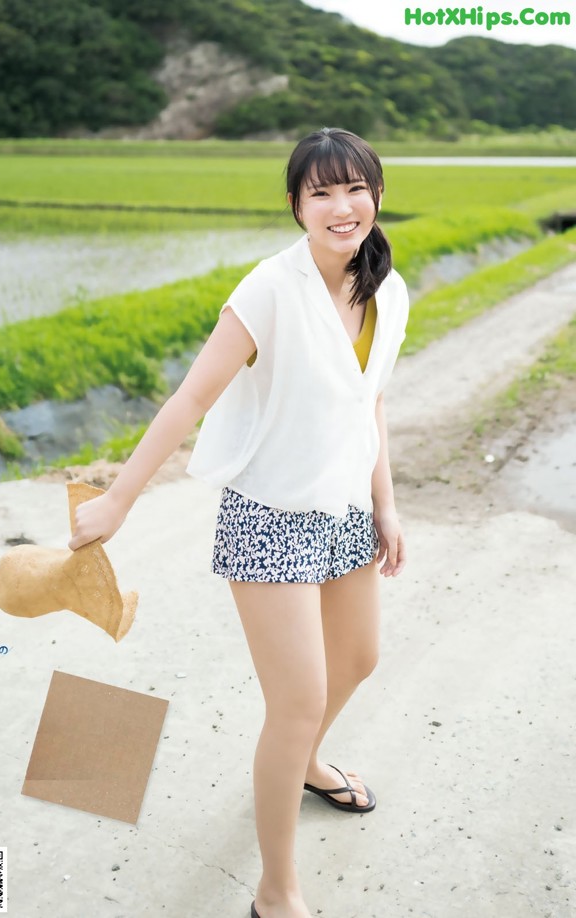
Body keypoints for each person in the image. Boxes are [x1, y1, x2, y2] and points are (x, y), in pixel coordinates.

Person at [68, 126, 408, 918]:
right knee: (295, 700)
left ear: (376, 195)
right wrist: (120, 497)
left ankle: (307, 762)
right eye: (319, 192)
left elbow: (373, 402)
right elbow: (191, 398)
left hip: (345, 509)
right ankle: (275, 891)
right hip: (269, 517)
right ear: (295, 207)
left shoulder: (386, 289)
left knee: (357, 661)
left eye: (353, 188)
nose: (340, 206)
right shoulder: (268, 291)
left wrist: (386, 503)